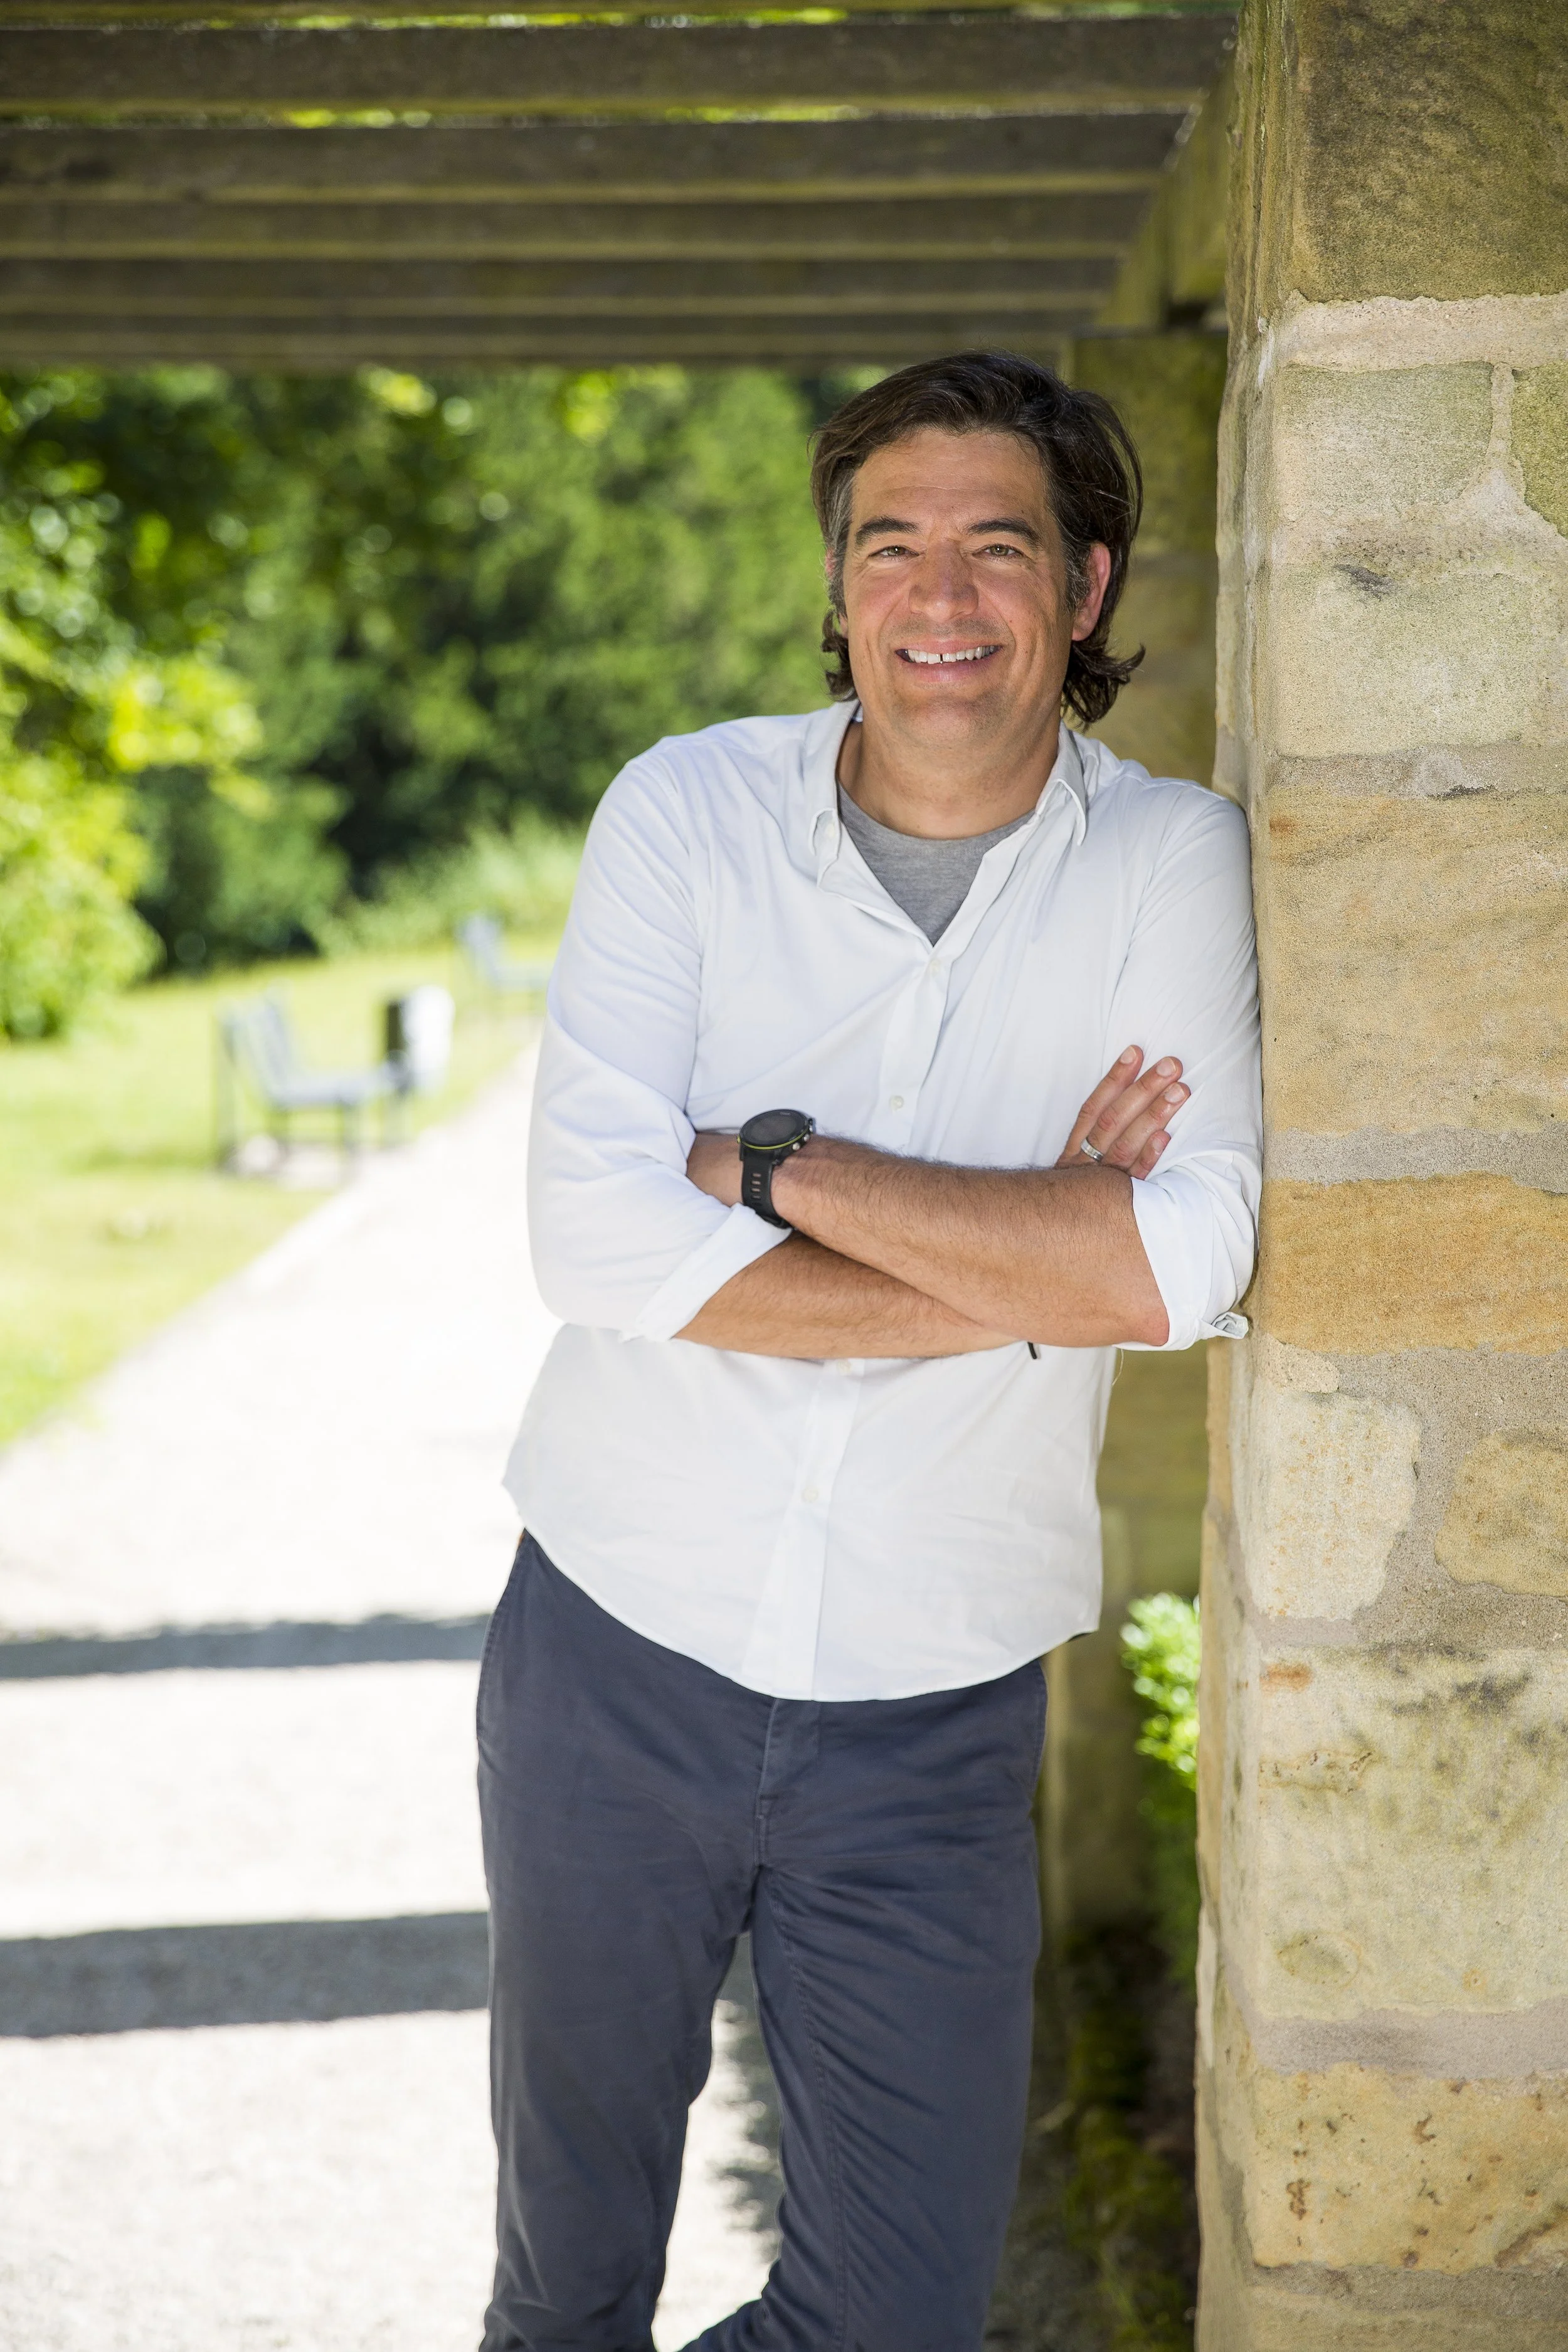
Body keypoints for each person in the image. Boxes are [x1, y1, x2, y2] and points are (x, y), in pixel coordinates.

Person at [479, 351, 1261, 2352]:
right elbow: (589, 1236)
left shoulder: (1167, 861)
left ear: (1081, 590)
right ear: (834, 591)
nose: (938, 595)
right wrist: (1026, 1254)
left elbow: (1185, 1262)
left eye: (996, 545)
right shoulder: (685, 810)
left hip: (931, 1699)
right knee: (565, 2287)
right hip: (612, 1648)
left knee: (895, 2316)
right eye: (887, 545)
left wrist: (771, 1165)